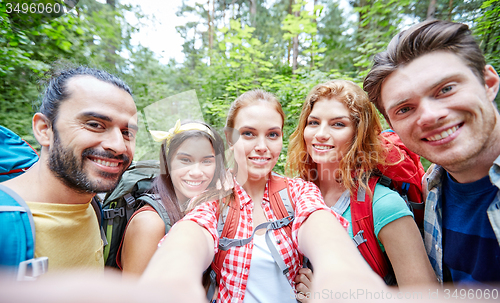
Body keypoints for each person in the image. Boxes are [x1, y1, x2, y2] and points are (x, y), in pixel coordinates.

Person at [140, 89, 387, 303]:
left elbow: (321, 227)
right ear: (229, 138)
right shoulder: (211, 199)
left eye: (272, 134)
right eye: (248, 133)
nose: (262, 146)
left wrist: (340, 271)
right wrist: (172, 274)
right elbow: (192, 232)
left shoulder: (300, 191)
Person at [363, 20, 500, 285]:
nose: (429, 116)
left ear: (489, 82)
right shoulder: (432, 189)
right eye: (404, 109)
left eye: (446, 89)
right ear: (393, 128)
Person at [287, 79, 436, 288]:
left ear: (359, 134)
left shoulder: (383, 205)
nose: (320, 134)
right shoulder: (292, 195)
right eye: (313, 122)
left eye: (338, 124)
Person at [0, 66, 138, 273]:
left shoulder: (92, 205)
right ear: (44, 129)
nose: (118, 146)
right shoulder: (5, 222)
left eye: (127, 132)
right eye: (95, 124)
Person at [118, 120, 227, 276]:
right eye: (185, 160)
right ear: (168, 163)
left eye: (207, 161)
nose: (196, 172)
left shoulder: (208, 208)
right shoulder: (150, 223)